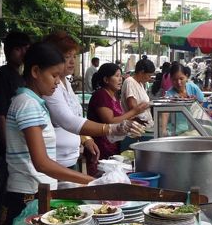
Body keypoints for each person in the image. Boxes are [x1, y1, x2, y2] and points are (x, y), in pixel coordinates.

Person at [1, 42, 93, 225]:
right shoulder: (27, 104)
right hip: (28, 195)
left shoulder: (32, 102)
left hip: (37, 192)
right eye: (54, 76)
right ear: (35, 71)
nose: (58, 83)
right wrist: (90, 181)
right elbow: (41, 163)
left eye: (60, 77)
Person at [43, 32, 145, 169]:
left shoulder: (65, 82)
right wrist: (111, 128)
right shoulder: (48, 89)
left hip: (70, 157)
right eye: (67, 57)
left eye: (74, 56)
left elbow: (76, 116)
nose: (72, 61)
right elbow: (67, 120)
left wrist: (86, 139)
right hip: (56, 160)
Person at [0, 30, 32, 225]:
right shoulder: (4, 76)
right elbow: (1, 117)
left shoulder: (19, 75)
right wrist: (9, 147)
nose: (25, 52)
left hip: (16, 151)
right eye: (21, 48)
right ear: (11, 50)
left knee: (14, 200)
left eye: (27, 47)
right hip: (8, 151)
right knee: (4, 199)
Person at [86, 62, 149, 170]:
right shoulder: (101, 95)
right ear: (106, 80)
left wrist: (134, 119)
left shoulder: (113, 96)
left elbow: (120, 118)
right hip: (100, 146)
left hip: (113, 145)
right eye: (117, 76)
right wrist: (135, 111)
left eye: (121, 76)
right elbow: (110, 121)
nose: (120, 79)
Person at [121, 57, 155, 127]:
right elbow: (133, 108)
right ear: (141, 72)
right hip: (137, 126)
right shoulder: (130, 82)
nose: (149, 78)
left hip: (145, 125)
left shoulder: (140, 84)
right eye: (149, 75)